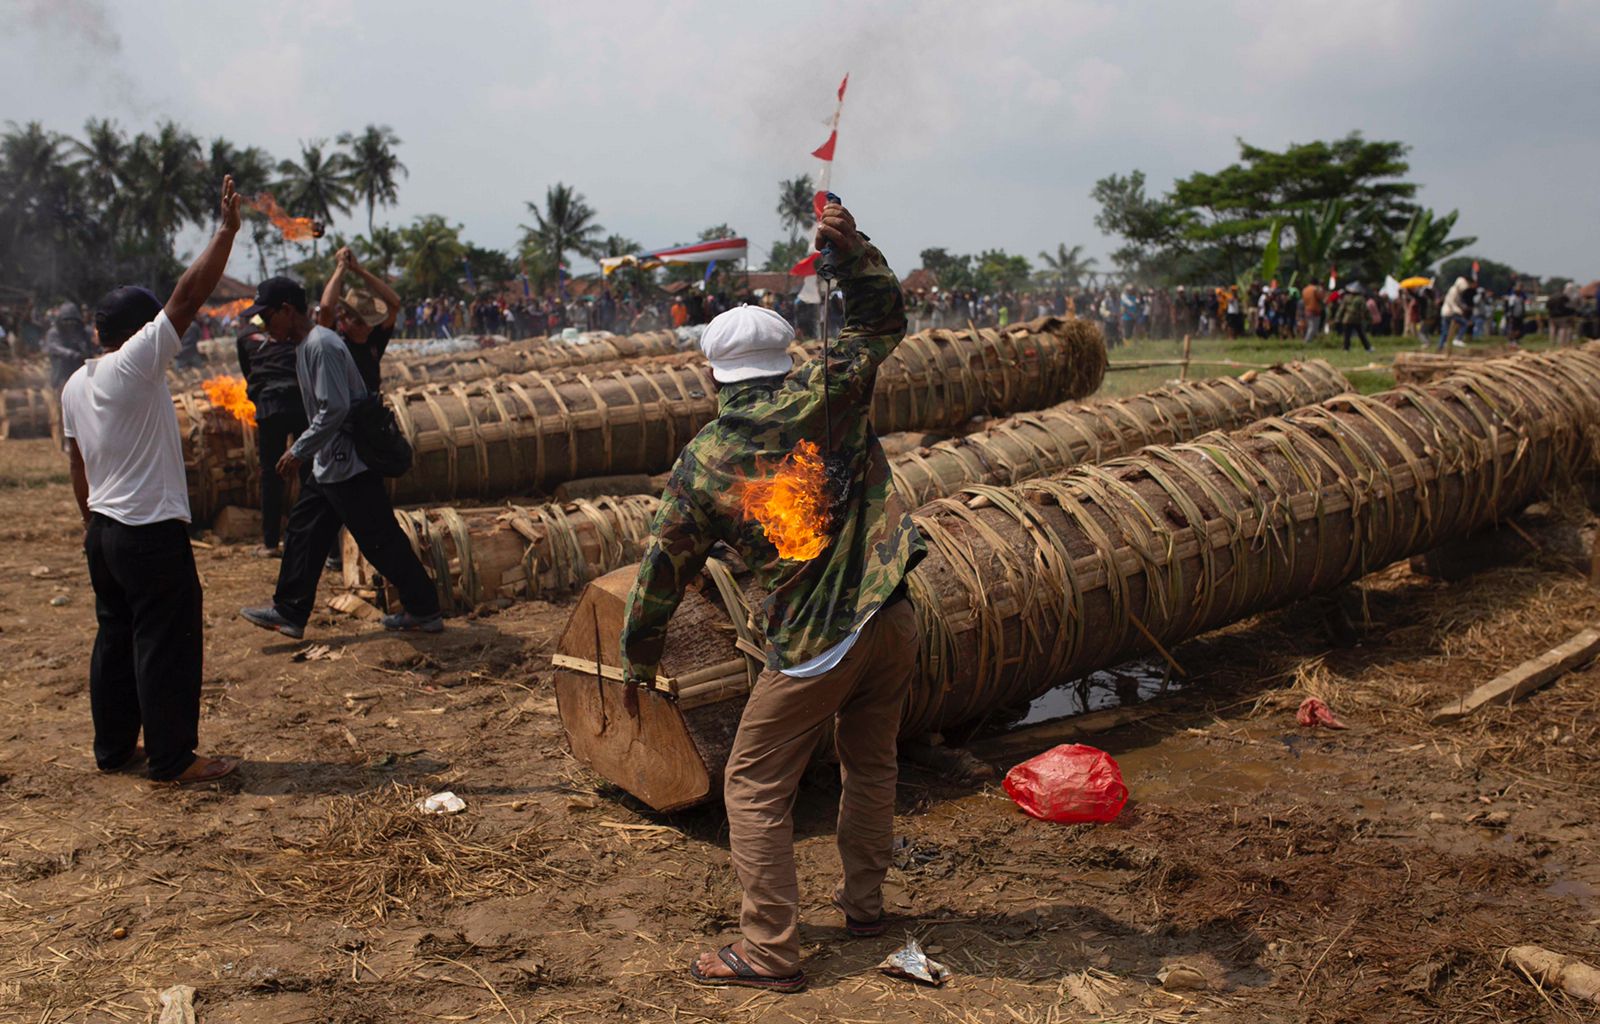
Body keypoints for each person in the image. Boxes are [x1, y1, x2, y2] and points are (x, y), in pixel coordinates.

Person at [619, 201, 923, 993]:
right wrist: (852, 250)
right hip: (893, 614)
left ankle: (769, 950)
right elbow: (883, 318)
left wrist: (636, 662)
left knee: (752, 785)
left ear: (712, 375)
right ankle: (864, 908)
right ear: (786, 357)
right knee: (871, 762)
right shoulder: (834, 387)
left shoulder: (707, 459)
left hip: (818, 643)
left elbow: (660, 577)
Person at [60, 175, 244, 785]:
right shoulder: (132, 368)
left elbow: (76, 464)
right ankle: (172, 758)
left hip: (106, 532)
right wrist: (225, 233)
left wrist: (93, 523)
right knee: (167, 641)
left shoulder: (75, 383)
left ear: (96, 333)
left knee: (115, 638)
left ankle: (115, 750)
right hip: (146, 531)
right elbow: (188, 297)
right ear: (142, 334)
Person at [238, 275, 443, 641]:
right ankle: (290, 611)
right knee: (303, 532)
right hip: (329, 462)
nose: (264, 325)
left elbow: (334, 409)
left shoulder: (322, 345)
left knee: (379, 540)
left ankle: (424, 607)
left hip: (349, 463)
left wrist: (298, 450)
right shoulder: (305, 345)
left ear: (287, 310)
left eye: (267, 316)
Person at [237, 315, 306, 556]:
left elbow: (249, 372)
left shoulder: (246, 335)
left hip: (271, 407)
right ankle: (312, 538)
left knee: (272, 475)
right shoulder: (299, 334)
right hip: (298, 404)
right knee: (307, 472)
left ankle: (270, 543)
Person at [324, 246, 401, 393]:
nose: (366, 328)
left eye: (369, 322)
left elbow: (395, 303)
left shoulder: (374, 340)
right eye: (359, 322)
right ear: (343, 318)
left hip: (371, 411)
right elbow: (326, 308)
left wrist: (358, 270)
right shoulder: (334, 342)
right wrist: (341, 267)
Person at [44, 302, 96, 394]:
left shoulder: (84, 331)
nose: (69, 324)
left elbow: (91, 345)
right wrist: (71, 354)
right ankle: (59, 387)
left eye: (72, 320)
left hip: (81, 366)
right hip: (63, 368)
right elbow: (54, 347)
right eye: (66, 320)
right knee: (60, 362)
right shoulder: (54, 333)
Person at [1436, 276, 1474, 351]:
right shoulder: (1453, 290)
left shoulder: (1457, 292)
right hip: (1448, 312)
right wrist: (1458, 310)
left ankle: (1441, 346)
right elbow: (1451, 302)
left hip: (1450, 312)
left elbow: (1458, 302)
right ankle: (1457, 339)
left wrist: (1464, 307)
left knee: (1445, 331)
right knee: (1464, 323)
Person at [1337, 282, 1373, 352]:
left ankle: (1346, 348)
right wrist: (1369, 318)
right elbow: (1364, 310)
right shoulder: (1361, 298)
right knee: (1361, 335)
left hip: (1347, 319)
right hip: (1357, 319)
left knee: (1347, 335)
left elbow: (1341, 309)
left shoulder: (1346, 298)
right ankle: (1368, 348)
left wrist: (1338, 318)